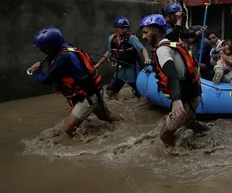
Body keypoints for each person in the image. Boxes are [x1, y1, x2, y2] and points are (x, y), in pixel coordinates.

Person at [29, 27, 123, 137]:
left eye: (43, 48)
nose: (41, 50)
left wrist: (36, 72)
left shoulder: (64, 57)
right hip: (94, 90)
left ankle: (86, 149)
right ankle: (126, 125)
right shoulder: (67, 48)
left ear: (52, 46)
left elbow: (46, 80)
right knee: (106, 116)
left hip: (88, 95)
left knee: (68, 128)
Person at [139, 14, 209, 147]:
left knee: (165, 134)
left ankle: (178, 157)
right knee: (190, 123)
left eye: (145, 32)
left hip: (186, 98)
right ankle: (207, 132)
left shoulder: (162, 51)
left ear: (156, 31)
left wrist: (176, 101)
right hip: (191, 94)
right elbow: (176, 31)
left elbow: (172, 75)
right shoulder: (167, 41)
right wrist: (178, 19)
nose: (143, 37)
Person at [94, 17, 150, 100]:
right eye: (122, 28)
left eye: (126, 28)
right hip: (120, 70)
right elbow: (108, 52)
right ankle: (119, 102)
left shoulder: (131, 38)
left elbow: (143, 49)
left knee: (141, 94)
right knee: (110, 91)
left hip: (132, 69)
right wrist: (98, 64)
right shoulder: (112, 39)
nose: (124, 30)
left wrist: (147, 58)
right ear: (116, 28)